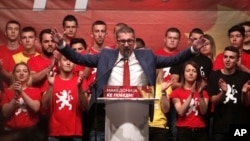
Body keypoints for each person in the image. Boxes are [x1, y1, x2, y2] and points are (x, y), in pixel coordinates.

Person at [51, 26, 205, 141]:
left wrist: (192, 49)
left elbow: (174, 60)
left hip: (139, 112)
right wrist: (62, 45)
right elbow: (80, 59)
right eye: (123, 41)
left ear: (134, 41)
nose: (126, 44)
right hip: (110, 111)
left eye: (130, 41)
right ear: (117, 41)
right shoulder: (106, 55)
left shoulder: (147, 55)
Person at [207, 46, 250, 141]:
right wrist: (223, 92)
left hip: (240, 124)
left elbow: (247, 103)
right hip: (220, 125)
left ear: (237, 60)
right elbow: (214, 101)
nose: (227, 60)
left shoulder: (244, 77)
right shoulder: (215, 75)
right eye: (225, 57)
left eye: (231, 57)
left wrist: (245, 93)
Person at [42, 54, 86, 141]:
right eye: (65, 60)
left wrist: (80, 87)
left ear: (75, 64)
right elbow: (45, 105)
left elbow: (85, 106)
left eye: (71, 60)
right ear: (59, 63)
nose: (68, 63)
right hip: (55, 133)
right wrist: (51, 86)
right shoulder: (51, 79)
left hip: (75, 133)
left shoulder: (80, 80)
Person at [0, 62, 42, 140]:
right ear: (14, 75)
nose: (21, 73)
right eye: (18, 71)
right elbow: (5, 113)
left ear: (29, 75)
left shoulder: (36, 90)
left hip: (30, 131)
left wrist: (21, 92)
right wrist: (15, 97)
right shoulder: (7, 91)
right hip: (10, 131)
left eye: (25, 71)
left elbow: (36, 108)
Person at [170, 61, 209, 141]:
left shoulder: (204, 93)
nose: (191, 73)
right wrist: (191, 94)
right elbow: (180, 112)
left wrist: (200, 94)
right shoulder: (176, 92)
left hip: (200, 130)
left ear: (197, 74)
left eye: (194, 71)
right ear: (183, 74)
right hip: (183, 131)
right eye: (188, 71)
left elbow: (204, 111)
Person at [148, 68, 172, 141]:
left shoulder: (164, 86)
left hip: (159, 127)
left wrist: (163, 91)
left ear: (159, 70)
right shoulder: (139, 86)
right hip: (141, 127)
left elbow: (166, 110)